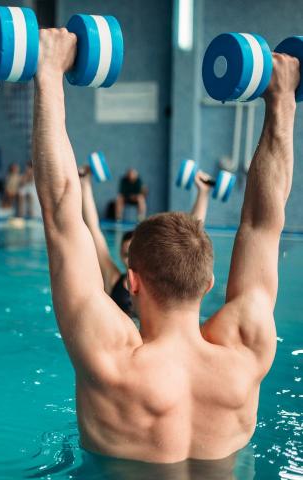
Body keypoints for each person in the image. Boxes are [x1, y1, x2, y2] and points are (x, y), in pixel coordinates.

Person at [32, 26, 297, 464]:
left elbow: (61, 213)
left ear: (131, 282)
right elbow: (262, 224)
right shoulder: (247, 350)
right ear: (208, 280)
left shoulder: (110, 359)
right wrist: (283, 100)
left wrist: (47, 72)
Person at [79, 167, 212, 317]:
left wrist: (203, 193)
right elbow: (93, 230)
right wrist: (84, 185)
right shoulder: (114, 279)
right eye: (125, 254)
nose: (130, 258)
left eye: (134, 253)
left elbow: (190, 238)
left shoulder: (162, 280)